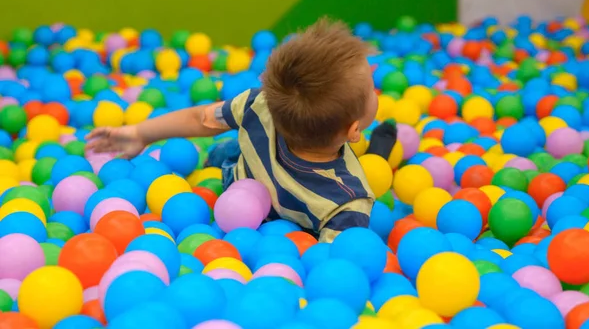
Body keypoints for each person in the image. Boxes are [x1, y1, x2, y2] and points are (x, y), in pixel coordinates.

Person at [86, 18, 397, 242]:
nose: (376, 93)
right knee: (366, 170)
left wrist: (142, 133)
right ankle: (378, 152)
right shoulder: (350, 199)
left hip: (239, 181)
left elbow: (200, 119)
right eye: (373, 90)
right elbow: (333, 262)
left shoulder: (261, 106)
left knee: (231, 149)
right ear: (354, 129)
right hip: (264, 204)